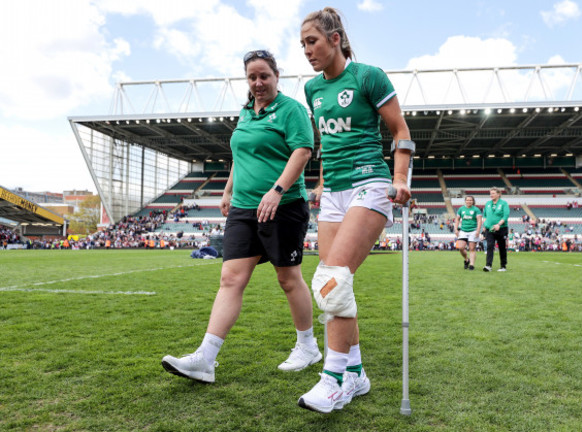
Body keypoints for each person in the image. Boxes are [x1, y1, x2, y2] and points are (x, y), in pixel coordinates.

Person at [161, 50, 321, 383]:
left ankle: (307, 346)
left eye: (264, 76)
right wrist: (227, 190)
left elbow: (303, 151)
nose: (258, 83)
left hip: (284, 206)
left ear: (276, 76)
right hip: (243, 209)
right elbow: (239, 154)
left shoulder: (292, 110)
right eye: (252, 77)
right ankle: (205, 359)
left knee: (288, 278)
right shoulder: (246, 113)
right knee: (230, 279)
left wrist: (276, 190)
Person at [297, 7, 413, 413]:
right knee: (331, 288)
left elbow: (401, 132)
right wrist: (323, 182)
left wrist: (401, 179)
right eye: (302, 45)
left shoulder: (368, 76)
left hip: (371, 185)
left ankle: (332, 381)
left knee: (333, 280)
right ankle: (356, 374)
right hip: (335, 193)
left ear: (335, 39)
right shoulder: (312, 90)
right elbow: (327, 144)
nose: (307, 51)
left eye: (312, 42)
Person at [482, 187, 510, 272]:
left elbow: (505, 215)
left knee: (502, 247)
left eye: (493, 193)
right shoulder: (488, 203)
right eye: (490, 193)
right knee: (490, 246)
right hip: (489, 229)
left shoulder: (504, 203)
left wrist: (498, 224)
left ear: (499, 194)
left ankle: (503, 266)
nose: (491, 195)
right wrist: (484, 225)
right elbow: (485, 215)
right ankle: (488, 265)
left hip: (501, 228)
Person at [454, 196, 483, 270]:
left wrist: (478, 230)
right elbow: (457, 219)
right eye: (467, 200)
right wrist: (456, 229)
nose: (469, 201)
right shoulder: (461, 209)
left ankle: (472, 265)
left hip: (473, 230)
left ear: (473, 201)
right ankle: (467, 260)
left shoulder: (476, 209)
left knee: (472, 248)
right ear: (465, 201)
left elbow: (479, 220)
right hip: (463, 230)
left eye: (470, 200)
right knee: (460, 247)